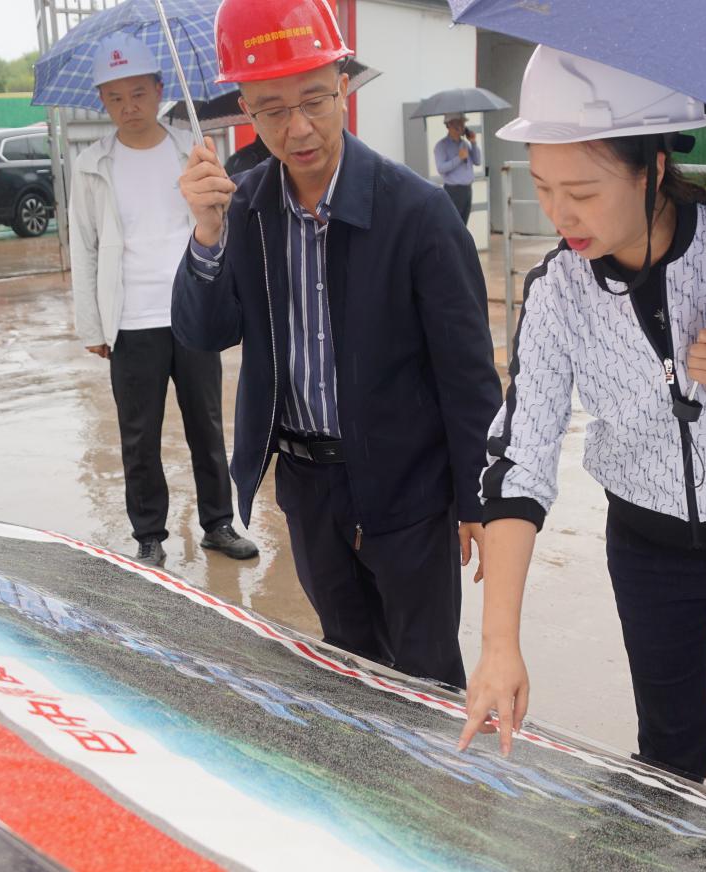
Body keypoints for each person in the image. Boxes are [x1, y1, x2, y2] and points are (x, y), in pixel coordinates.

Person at [456, 47, 706, 820]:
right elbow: (519, 460)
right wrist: (499, 644)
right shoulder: (560, 292)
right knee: (668, 752)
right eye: (543, 187)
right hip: (651, 550)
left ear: (652, 169)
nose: (560, 215)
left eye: (582, 191)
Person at [172, 0, 501, 688]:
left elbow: (467, 371)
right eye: (271, 109)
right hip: (308, 485)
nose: (297, 128)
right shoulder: (245, 208)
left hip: (408, 484)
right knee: (345, 664)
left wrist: (477, 498)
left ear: (343, 86)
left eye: (314, 99)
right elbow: (204, 332)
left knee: (426, 671)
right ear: (245, 109)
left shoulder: (417, 212)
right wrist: (206, 232)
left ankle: (434, 761)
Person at [69, 33, 258, 569]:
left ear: (158, 89)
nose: (128, 106)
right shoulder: (91, 165)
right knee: (139, 436)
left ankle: (218, 524)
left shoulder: (190, 149)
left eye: (138, 93)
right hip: (131, 320)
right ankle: (149, 535)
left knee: (207, 427)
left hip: (192, 312)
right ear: (102, 101)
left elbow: (220, 226)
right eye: (115, 97)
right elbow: (84, 246)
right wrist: (93, 326)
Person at [433, 112, 481, 224]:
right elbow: (441, 168)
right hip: (454, 191)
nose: (462, 126)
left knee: (463, 225)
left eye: (463, 123)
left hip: (467, 189)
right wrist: (459, 158)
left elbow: (477, 161)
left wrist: (473, 142)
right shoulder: (441, 146)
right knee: (453, 224)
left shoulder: (465, 144)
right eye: (459, 123)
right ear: (449, 125)